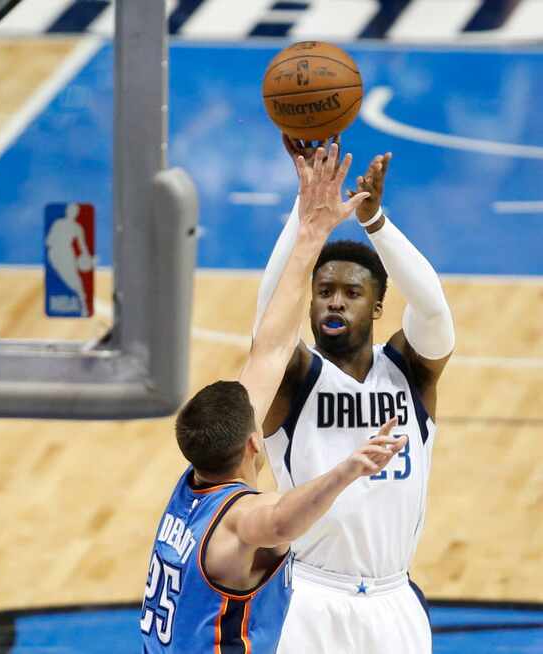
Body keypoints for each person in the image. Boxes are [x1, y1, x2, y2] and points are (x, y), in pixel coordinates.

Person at [140, 144, 407, 654]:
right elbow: (283, 520)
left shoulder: (193, 488)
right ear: (251, 443)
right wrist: (347, 470)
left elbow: (270, 348)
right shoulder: (240, 521)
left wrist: (310, 230)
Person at [251, 137, 455, 654]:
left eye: (351, 292)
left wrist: (376, 221)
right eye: (323, 292)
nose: (334, 302)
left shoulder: (409, 371)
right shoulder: (296, 377)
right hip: (311, 595)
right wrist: (307, 209)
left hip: (394, 597)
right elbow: (268, 321)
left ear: (378, 307)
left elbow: (434, 311)